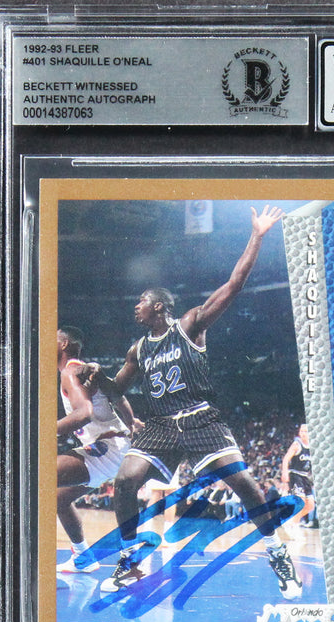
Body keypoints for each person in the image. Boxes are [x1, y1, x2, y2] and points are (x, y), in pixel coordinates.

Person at [97, 206, 303, 599]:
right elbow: (117, 388)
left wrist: (257, 235)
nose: (136, 306)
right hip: (160, 425)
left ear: (159, 305)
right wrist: (97, 378)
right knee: (124, 481)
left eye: (141, 300)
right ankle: (128, 561)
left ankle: (277, 553)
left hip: (200, 419)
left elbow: (235, 283)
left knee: (244, 484)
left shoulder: (190, 324)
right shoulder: (137, 349)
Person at [56, 326, 138, 573]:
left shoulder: (70, 371)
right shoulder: (86, 370)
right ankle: (83, 557)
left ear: (63, 344)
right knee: (58, 498)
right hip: (110, 448)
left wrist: (43, 432)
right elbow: (118, 396)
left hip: (108, 448)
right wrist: (131, 423)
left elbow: (84, 413)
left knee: (37, 477)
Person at [281, 424, 315, 535]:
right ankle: (294, 526)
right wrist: (284, 472)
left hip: (306, 476)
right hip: (295, 474)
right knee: (300, 501)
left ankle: (290, 519)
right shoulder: (297, 444)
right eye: (301, 431)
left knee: (310, 505)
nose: (303, 433)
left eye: (305, 431)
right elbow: (286, 458)